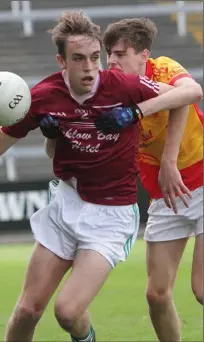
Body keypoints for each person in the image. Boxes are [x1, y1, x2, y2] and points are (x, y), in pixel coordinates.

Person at [0, 12, 202, 342]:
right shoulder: (43, 96)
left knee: (66, 311)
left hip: (111, 214)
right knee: (27, 311)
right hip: (67, 204)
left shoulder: (123, 85)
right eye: (79, 59)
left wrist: (137, 115)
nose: (91, 67)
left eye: (96, 58)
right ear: (61, 61)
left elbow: (186, 95)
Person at [99, 17, 203, 342]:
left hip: (201, 177)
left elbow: (191, 93)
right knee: (156, 296)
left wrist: (137, 112)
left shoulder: (162, 69)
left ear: (144, 55)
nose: (111, 61)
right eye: (109, 55)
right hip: (166, 195)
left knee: (201, 289)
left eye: (120, 54)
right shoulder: (109, 90)